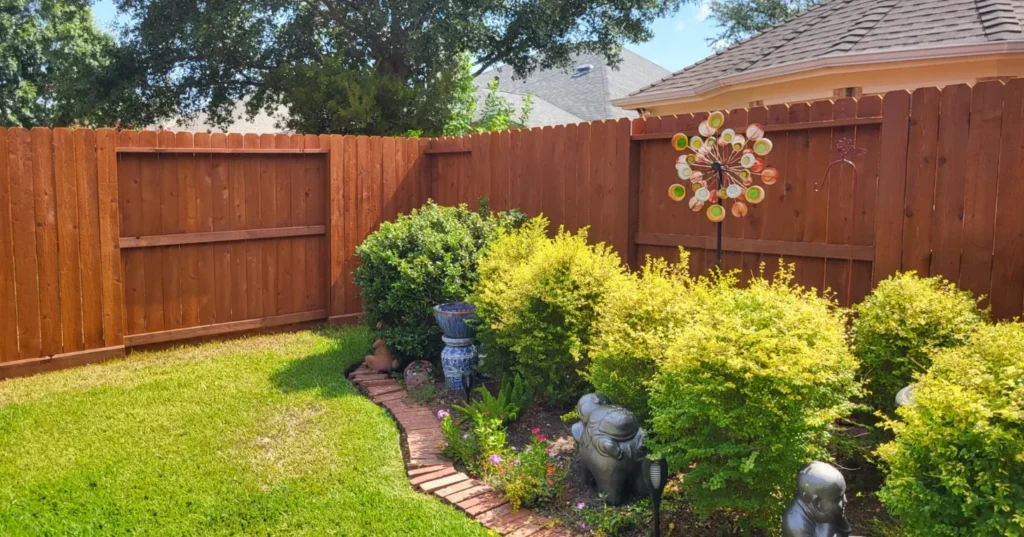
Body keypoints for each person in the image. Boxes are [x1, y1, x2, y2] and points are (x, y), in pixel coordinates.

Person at [781, 461, 853, 537]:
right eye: (838, 499)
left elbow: (846, 531)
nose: (845, 500)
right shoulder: (796, 524)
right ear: (818, 503)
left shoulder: (831, 508)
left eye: (843, 495)